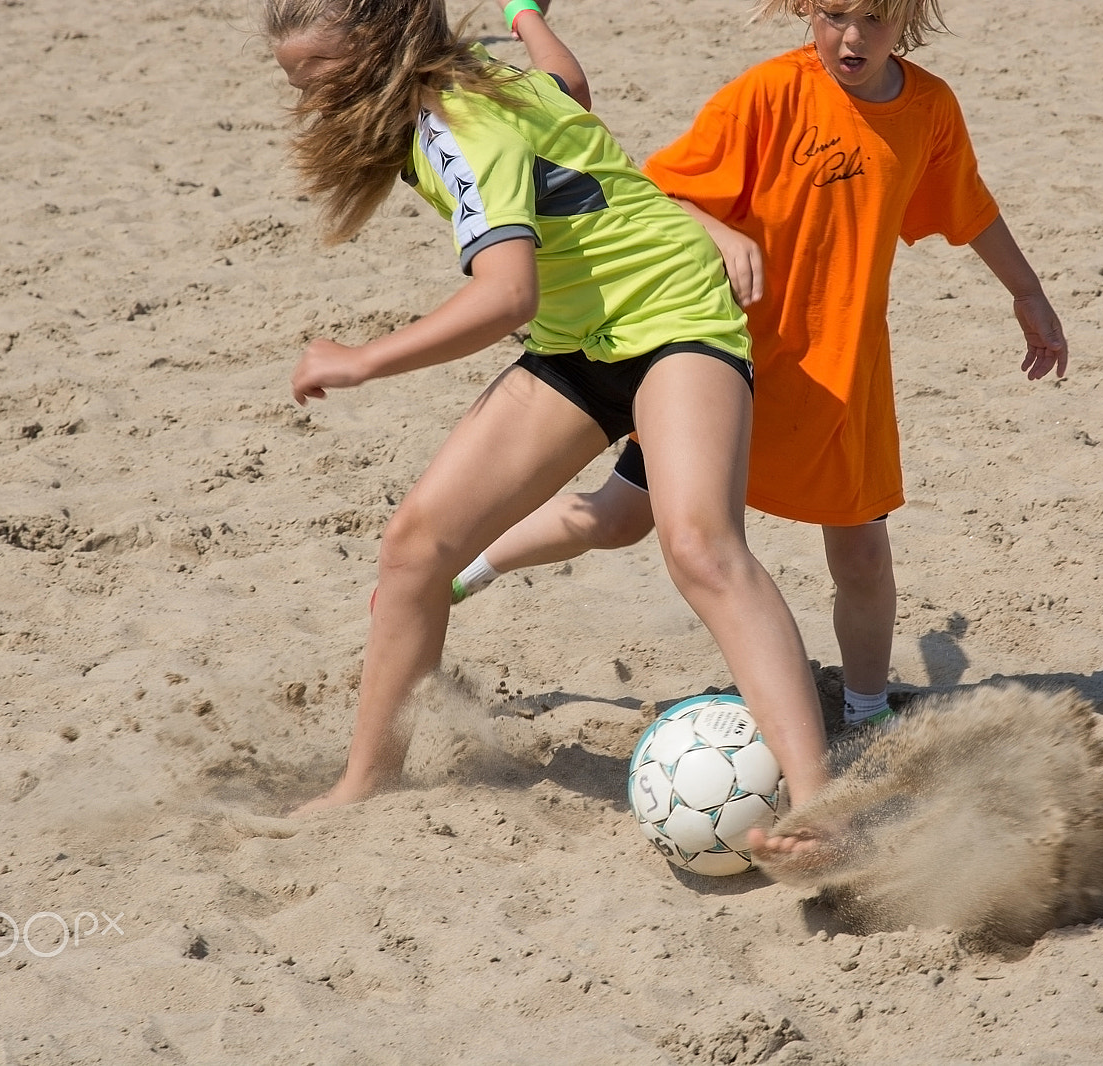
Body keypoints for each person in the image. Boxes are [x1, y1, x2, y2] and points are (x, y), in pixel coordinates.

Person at [262, 0, 831, 862]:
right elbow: (570, 89)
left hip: (674, 318)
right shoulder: (482, 73)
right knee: (417, 549)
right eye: (291, 77)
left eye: (318, 74)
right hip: (577, 343)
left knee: (699, 547)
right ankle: (366, 782)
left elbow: (506, 296)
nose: (306, 96)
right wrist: (528, 17)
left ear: (377, 49)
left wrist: (363, 359)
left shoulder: (454, 123)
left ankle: (825, 808)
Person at [451, 0, 1068, 730]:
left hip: (839, 374)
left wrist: (1027, 292)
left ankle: (866, 714)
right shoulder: (768, 93)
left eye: (875, 18)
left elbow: (968, 208)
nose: (852, 36)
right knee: (617, 518)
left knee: (864, 557)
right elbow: (656, 189)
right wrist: (719, 230)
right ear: (808, 9)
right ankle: (461, 576)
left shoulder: (929, 108)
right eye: (836, 14)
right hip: (720, 358)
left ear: (906, 16)